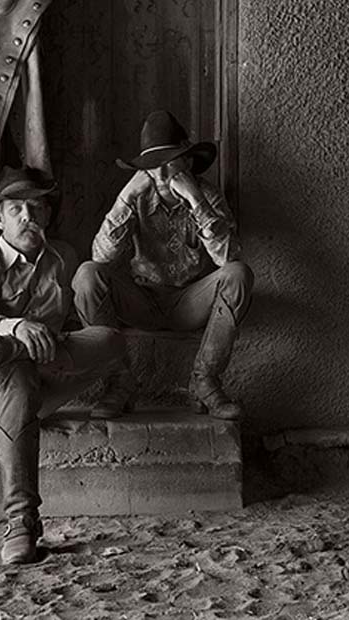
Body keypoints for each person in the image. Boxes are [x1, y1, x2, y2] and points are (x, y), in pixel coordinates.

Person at [0, 165, 124, 565]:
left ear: (48, 216)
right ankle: (22, 522)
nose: (29, 216)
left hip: (43, 374)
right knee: (15, 373)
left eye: (37, 208)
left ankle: (15, 356)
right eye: (17, 208)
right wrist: (18, 328)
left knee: (109, 341)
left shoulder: (64, 258)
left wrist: (48, 341)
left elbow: (77, 326)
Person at [73, 110, 254, 420]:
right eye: (155, 168)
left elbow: (228, 258)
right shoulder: (137, 197)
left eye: (172, 164)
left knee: (238, 274)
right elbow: (101, 257)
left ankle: (204, 381)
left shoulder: (206, 195)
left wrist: (197, 201)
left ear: (188, 163)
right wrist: (125, 198)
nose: (163, 175)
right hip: (142, 299)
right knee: (87, 275)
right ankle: (119, 381)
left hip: (188, 302)